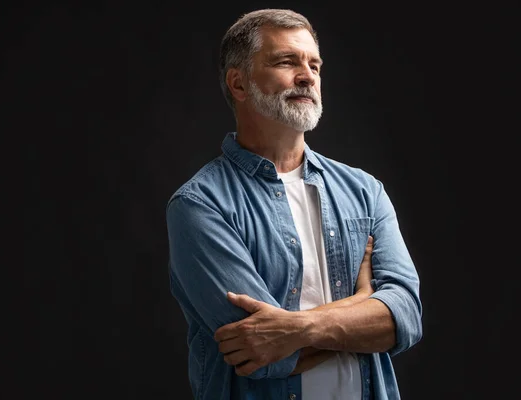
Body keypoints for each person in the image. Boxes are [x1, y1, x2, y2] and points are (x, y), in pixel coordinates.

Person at [166, 8, 422, 400]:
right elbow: (260, 353)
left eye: (314, 65)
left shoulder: (365, 191)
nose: (307, 76)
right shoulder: (200, 205)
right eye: (287, 62)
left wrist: (294, 330)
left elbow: (403, 319)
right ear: (239, 83)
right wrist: (361, 304)